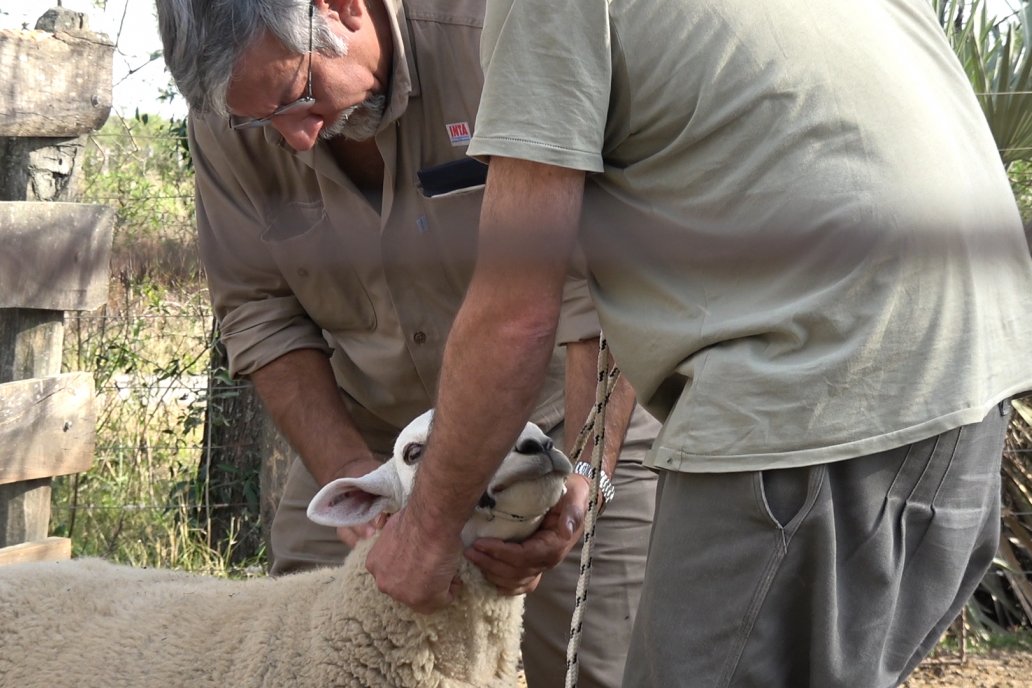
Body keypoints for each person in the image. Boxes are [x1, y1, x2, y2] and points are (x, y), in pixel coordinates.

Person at [361, 0, 1032, 687]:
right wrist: (586, 477)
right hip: (977, 381)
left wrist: (426, 533)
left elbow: (516, 311)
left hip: (812, 390)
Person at [153, 1, 661, 687]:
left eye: (298, 96)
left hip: (554, 431)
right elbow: (258, 312)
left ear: (342, 8)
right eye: (256, 122)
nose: (295, 139)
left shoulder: (500, 43)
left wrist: (585, 484)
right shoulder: (235, 114)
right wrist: (368, 495)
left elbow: (598, 290)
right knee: (303, 661)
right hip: (376, 441)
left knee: (595, 667)